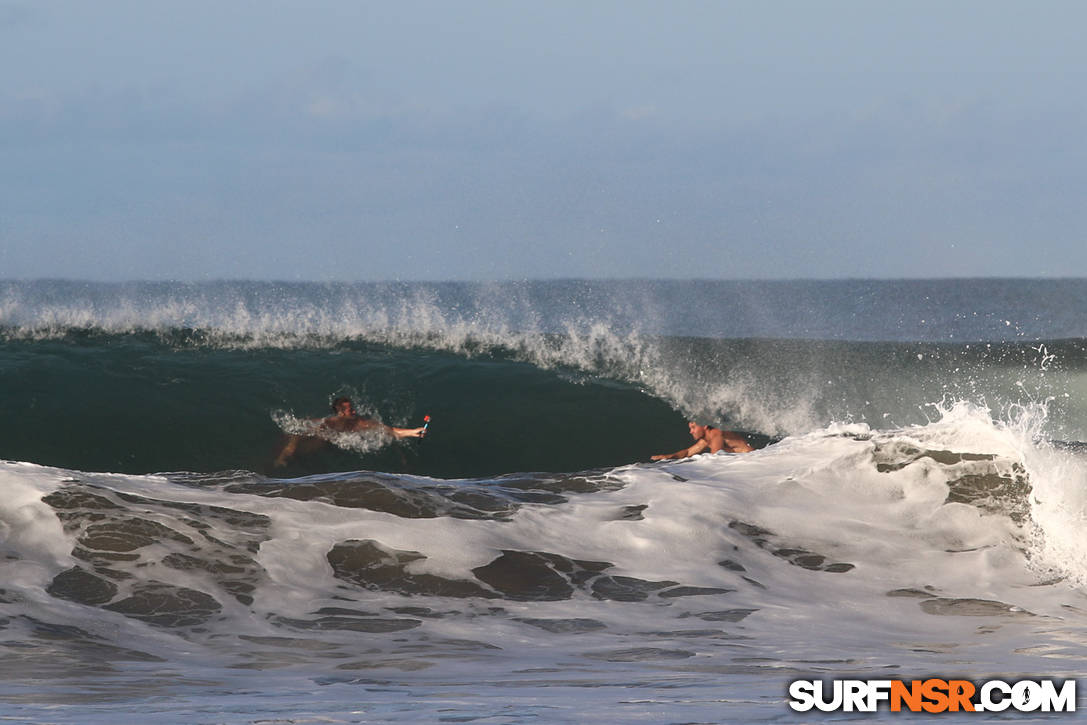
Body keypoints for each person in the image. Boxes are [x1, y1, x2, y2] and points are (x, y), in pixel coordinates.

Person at [273, 397, 426, 466]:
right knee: (310, 446)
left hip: (330, 446)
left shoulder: (360, 422)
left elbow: (389, 430)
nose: (353, 410)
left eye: (352, 407)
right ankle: (282, 458)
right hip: (317, 442)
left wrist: (413, 432)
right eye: (348, 409)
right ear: (340, 412)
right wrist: (289, 450)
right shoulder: (330, 422)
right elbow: (300, 434)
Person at [651, 421, 753, 460]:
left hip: (750, 459)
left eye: (693, 427)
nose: (691, 432)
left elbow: (716, 458)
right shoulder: (706, 440)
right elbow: (687, 452)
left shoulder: (716, 434)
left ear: (704, 426)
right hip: (742, 461)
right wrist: (667, 456)